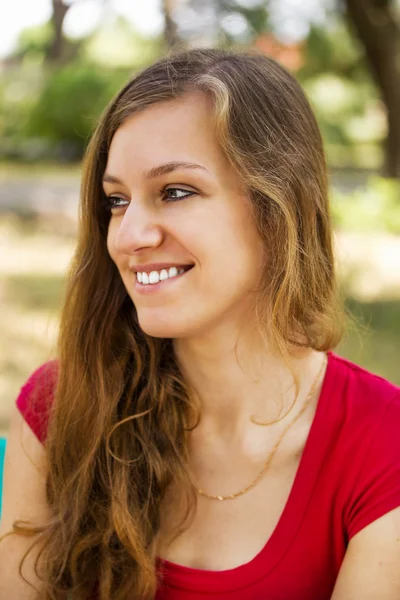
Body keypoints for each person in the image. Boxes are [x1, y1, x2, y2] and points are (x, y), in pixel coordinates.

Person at [0, 48, 399, 600]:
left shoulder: (383, 445)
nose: (129, 235)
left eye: (176, 191)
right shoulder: (59, 408)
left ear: (279, 206)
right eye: (116, 201)